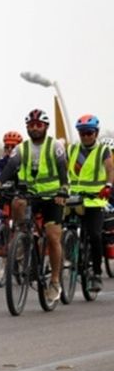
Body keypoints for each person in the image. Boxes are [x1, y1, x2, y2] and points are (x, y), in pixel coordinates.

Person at [0, 108, 68, 303]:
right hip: (31, 195)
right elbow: (10, 168)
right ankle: (23, 237)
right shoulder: (21, 148)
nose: (35, 128)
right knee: (17, 202)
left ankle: (54, 281)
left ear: (45, 127)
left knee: (52, 237)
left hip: (53, 197)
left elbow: (62, 171)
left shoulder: (56, 146)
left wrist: (63, 189)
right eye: (31, 125)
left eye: (39, 125)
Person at [65, 114, 113, 293]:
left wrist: (108, 185)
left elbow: (109, 169)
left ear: (96, 133)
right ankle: (72, 259)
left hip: (95, 199)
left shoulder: (103, 151)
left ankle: (97, 274)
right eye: (82, 133)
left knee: (94, 234)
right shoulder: (72, 150)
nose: (85, 136)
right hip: (73, 198)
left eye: (89, 133)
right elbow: (63, 169)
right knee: (64, 230)